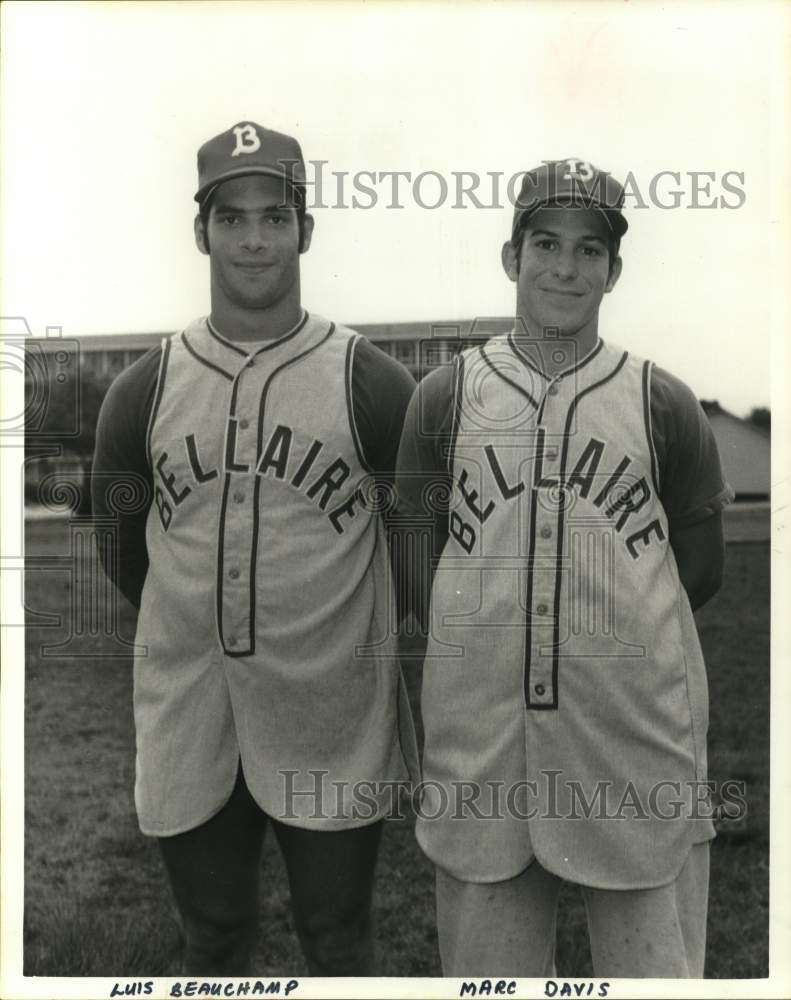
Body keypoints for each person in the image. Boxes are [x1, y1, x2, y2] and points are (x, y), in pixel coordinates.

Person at [92, 121, 418, 975]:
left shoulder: (371, 380)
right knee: (213, 940)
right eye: (230, 218)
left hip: (328, 707)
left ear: (305, 230)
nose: (253, 239)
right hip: (190, 706)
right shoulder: (144, 387)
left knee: (339, 941)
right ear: (200, 230)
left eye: (274, 217)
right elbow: (126, 553)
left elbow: (418, 551)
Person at [395, 158, 734, 977]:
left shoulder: (659, 399)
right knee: (488, 976)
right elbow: (417, 564)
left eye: (589, 251)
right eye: (545, 243)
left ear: (613, 271)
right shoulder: (444, 395)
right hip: (485, 739)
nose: (564, 267)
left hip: (629, 737)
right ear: (511, 257)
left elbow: (698, 573)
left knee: (654, 970)